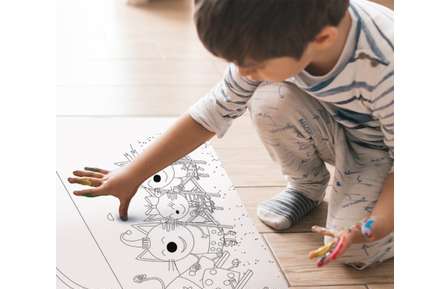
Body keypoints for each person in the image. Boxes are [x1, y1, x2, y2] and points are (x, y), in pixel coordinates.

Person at [68, 0, 393, 269]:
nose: (242, 71)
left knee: (353, 249)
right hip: (341, 124)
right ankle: (306, 187)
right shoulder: (275, 34)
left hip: (385, 153)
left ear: (322, 39)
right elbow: (212, 112)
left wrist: (374, 226)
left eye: (251, 63)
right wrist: (132, 175)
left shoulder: (388, 63)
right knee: (268, 99)